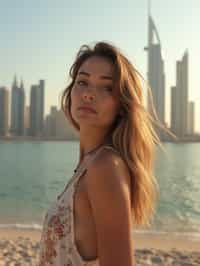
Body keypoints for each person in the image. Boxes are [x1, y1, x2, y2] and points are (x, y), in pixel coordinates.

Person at [38, 41, 172, 266]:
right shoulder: (88, 165)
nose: (90, 94)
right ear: (71, 92)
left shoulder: (105, 167)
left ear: (122, 105)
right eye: (82, 82)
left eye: (107, 87)